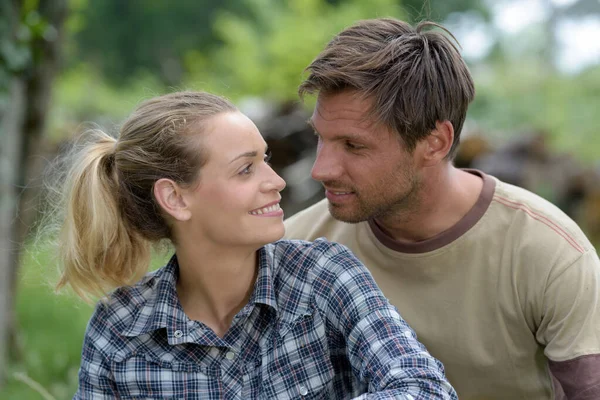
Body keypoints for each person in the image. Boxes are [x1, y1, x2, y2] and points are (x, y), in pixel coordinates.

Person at [51, 91, 457, 399]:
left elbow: (423, 386)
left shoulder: (324, 276)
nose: (276, 182)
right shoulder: (119, 331)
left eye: (265, 160)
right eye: (246, 169)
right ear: (175, 198)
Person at [284, 18, 600, 400]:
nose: (321, 169)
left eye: (353, 145)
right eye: (321, 137)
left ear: (434, 142)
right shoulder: (296, 248)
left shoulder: (549, 254)